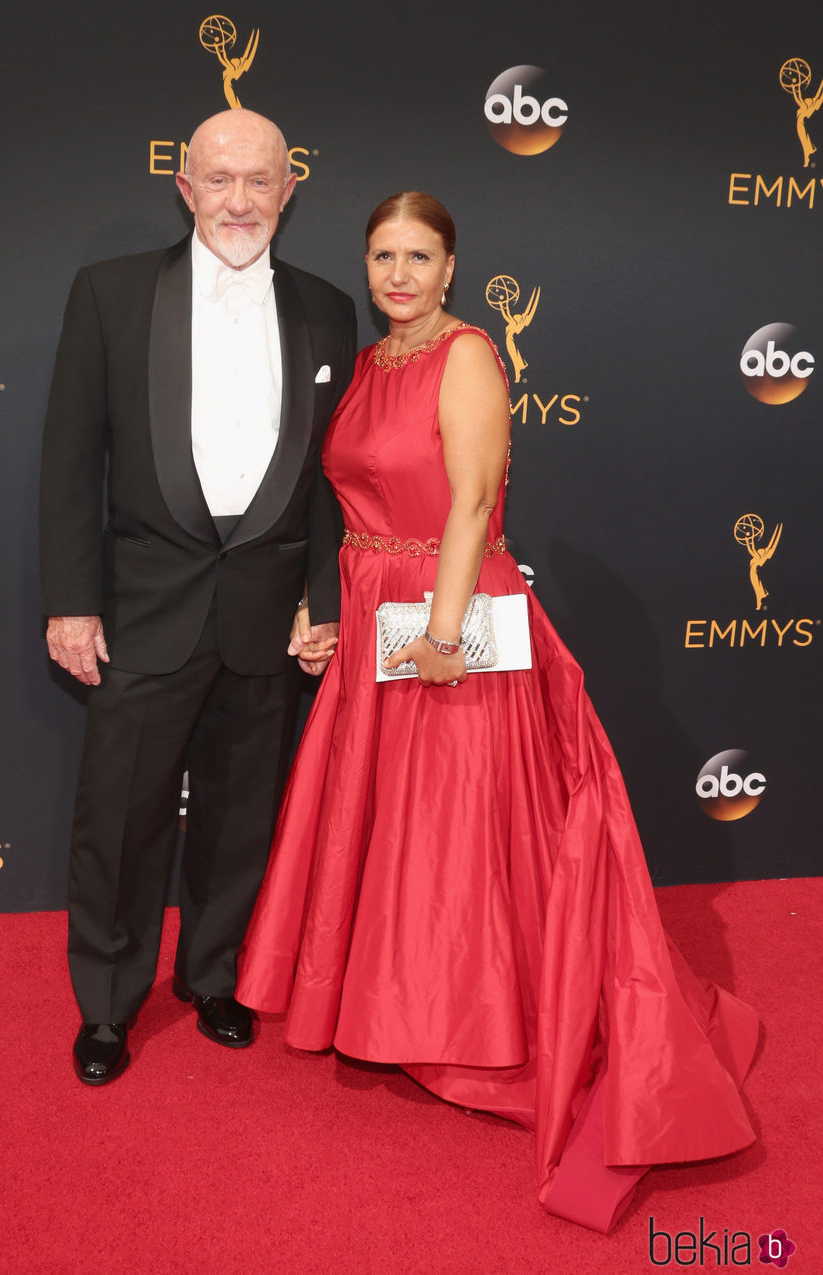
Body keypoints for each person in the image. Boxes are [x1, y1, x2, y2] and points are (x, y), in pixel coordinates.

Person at [236, 192, 758, 1232]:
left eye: (417, 256)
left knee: (458, 836)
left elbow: (470, 504)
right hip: (384, 612)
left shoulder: (465, 355)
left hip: (456, 616)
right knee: (403, 831)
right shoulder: (373, 361)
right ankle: (398, 1010)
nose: (396, 274)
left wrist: (438, 633)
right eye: (381, 255)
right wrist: (348, 624)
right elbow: (370, 512)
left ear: (450, 266)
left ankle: (473, 1024)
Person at [39, 109, 356, 1085]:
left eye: (258, 181)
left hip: (264, 609)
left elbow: (330, 479)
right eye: (218, 180)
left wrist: (321, 598)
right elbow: (68, 460)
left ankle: (213, 974)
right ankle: (107, 1003)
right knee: (120, 817)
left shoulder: (328, 310)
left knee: (239, 813)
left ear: (289, 188)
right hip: (142, 606)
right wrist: (69, 601)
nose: (239, 200)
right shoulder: (110, 294)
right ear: (183, 187)